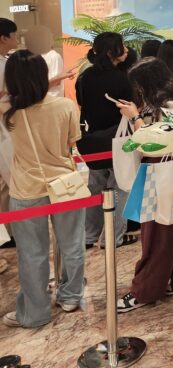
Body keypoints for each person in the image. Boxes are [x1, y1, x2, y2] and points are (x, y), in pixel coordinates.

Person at [1, 51, 84, 328]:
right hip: (65, 184)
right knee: (72, 244)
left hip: (26, 188)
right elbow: (71, 143)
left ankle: (35, 313)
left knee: (32, 253)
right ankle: (71, 296)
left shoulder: (8, 111)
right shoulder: (64, 106)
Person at [114, 59, 173, 313]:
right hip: (167, 175)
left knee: (157, 236)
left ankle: (145, 290)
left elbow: (157, 144)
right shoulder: (171, 103)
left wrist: (135, 118)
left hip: (162, 176)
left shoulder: (168, 106)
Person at [76, 33, 132, 249]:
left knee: (95, 187)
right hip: (117, 140)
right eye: (122, 46)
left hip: (91, 140)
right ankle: (112, 237)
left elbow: (82, 102)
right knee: (119, 188)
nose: (125, 49)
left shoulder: (85, 76)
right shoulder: (121, 78)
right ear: (111, 51)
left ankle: (89, 235)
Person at [0, 18, 19, 253]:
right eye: (14, 35)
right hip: (4, 130)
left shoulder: (6, 62)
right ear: (3, 38)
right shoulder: (4, 66)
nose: (16, 39)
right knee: (6, 182)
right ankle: (8, 231)